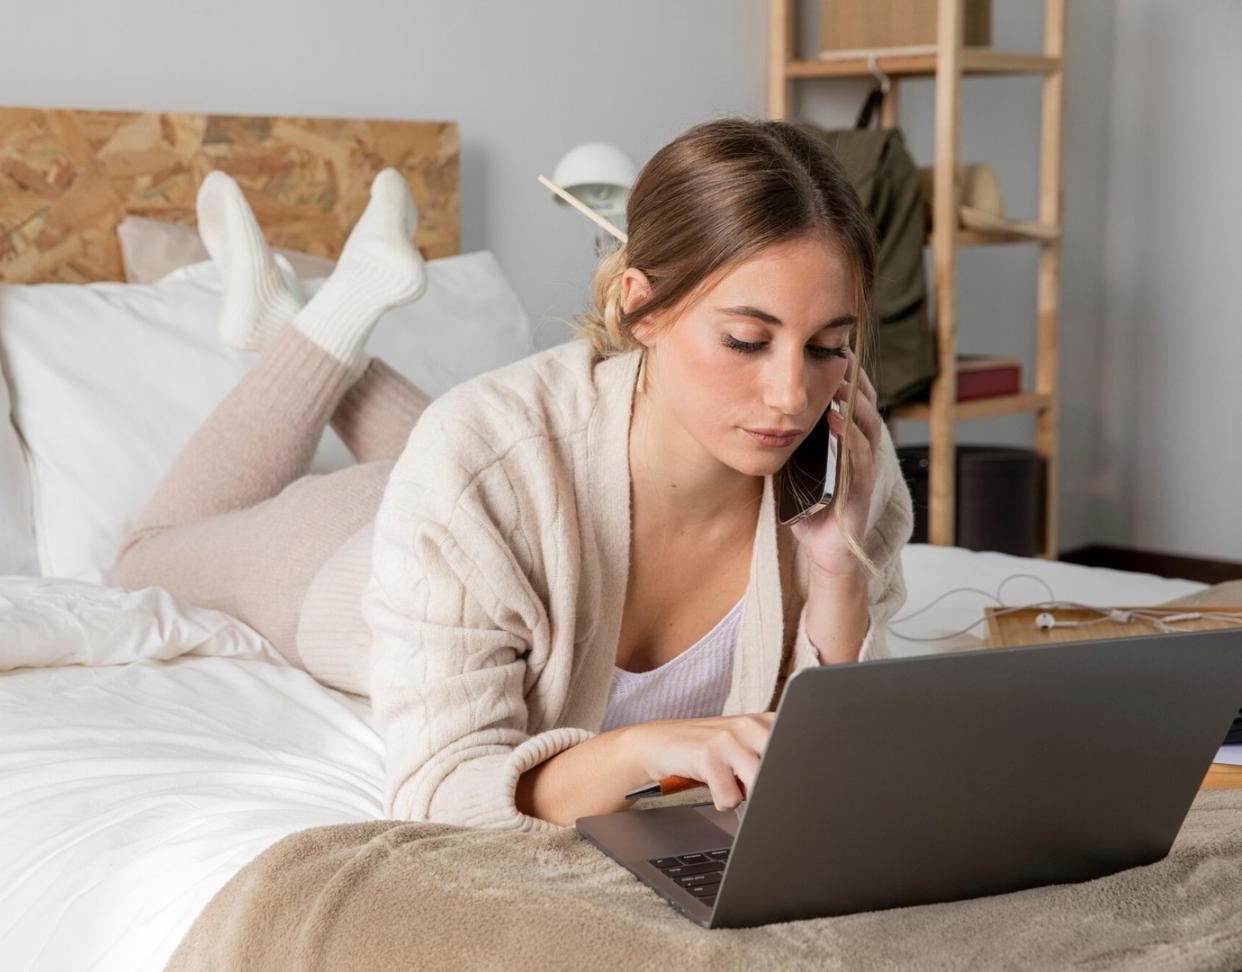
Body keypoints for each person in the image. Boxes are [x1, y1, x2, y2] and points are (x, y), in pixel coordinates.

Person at [113, 116, 914, 835]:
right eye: (746, 339)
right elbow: (440, 790)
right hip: (347, 555)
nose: (792, 396)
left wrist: (840, 574)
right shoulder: (477, 465)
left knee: (494, 456)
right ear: (642, 307)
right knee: (142, 560)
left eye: (827, 347)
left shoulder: (848, 468)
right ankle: (323, 319)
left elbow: (829, 766)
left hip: (484, 488)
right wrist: (641, 752)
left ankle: (286, 323)